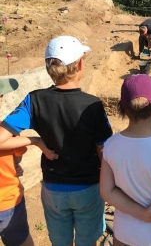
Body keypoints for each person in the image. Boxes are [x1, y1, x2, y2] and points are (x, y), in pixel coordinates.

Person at [0, 35, 114, 246]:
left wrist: (34, 140)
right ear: (80, 64)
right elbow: (104, 152)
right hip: (87, 187)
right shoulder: (93, 106)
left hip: (53, 189)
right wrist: (111, 185)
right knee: (87, 241)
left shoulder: (33, 100)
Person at [100, 74, 151, 246]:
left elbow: (107, 191)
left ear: (122, 108)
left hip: (122, 235)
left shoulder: (110, 145)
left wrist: (141, 213)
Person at [0, 78, 57, 246]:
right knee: (20, 241)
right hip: (7, 201)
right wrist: (34, 140)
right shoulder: (9, 136)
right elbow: (17, 157)